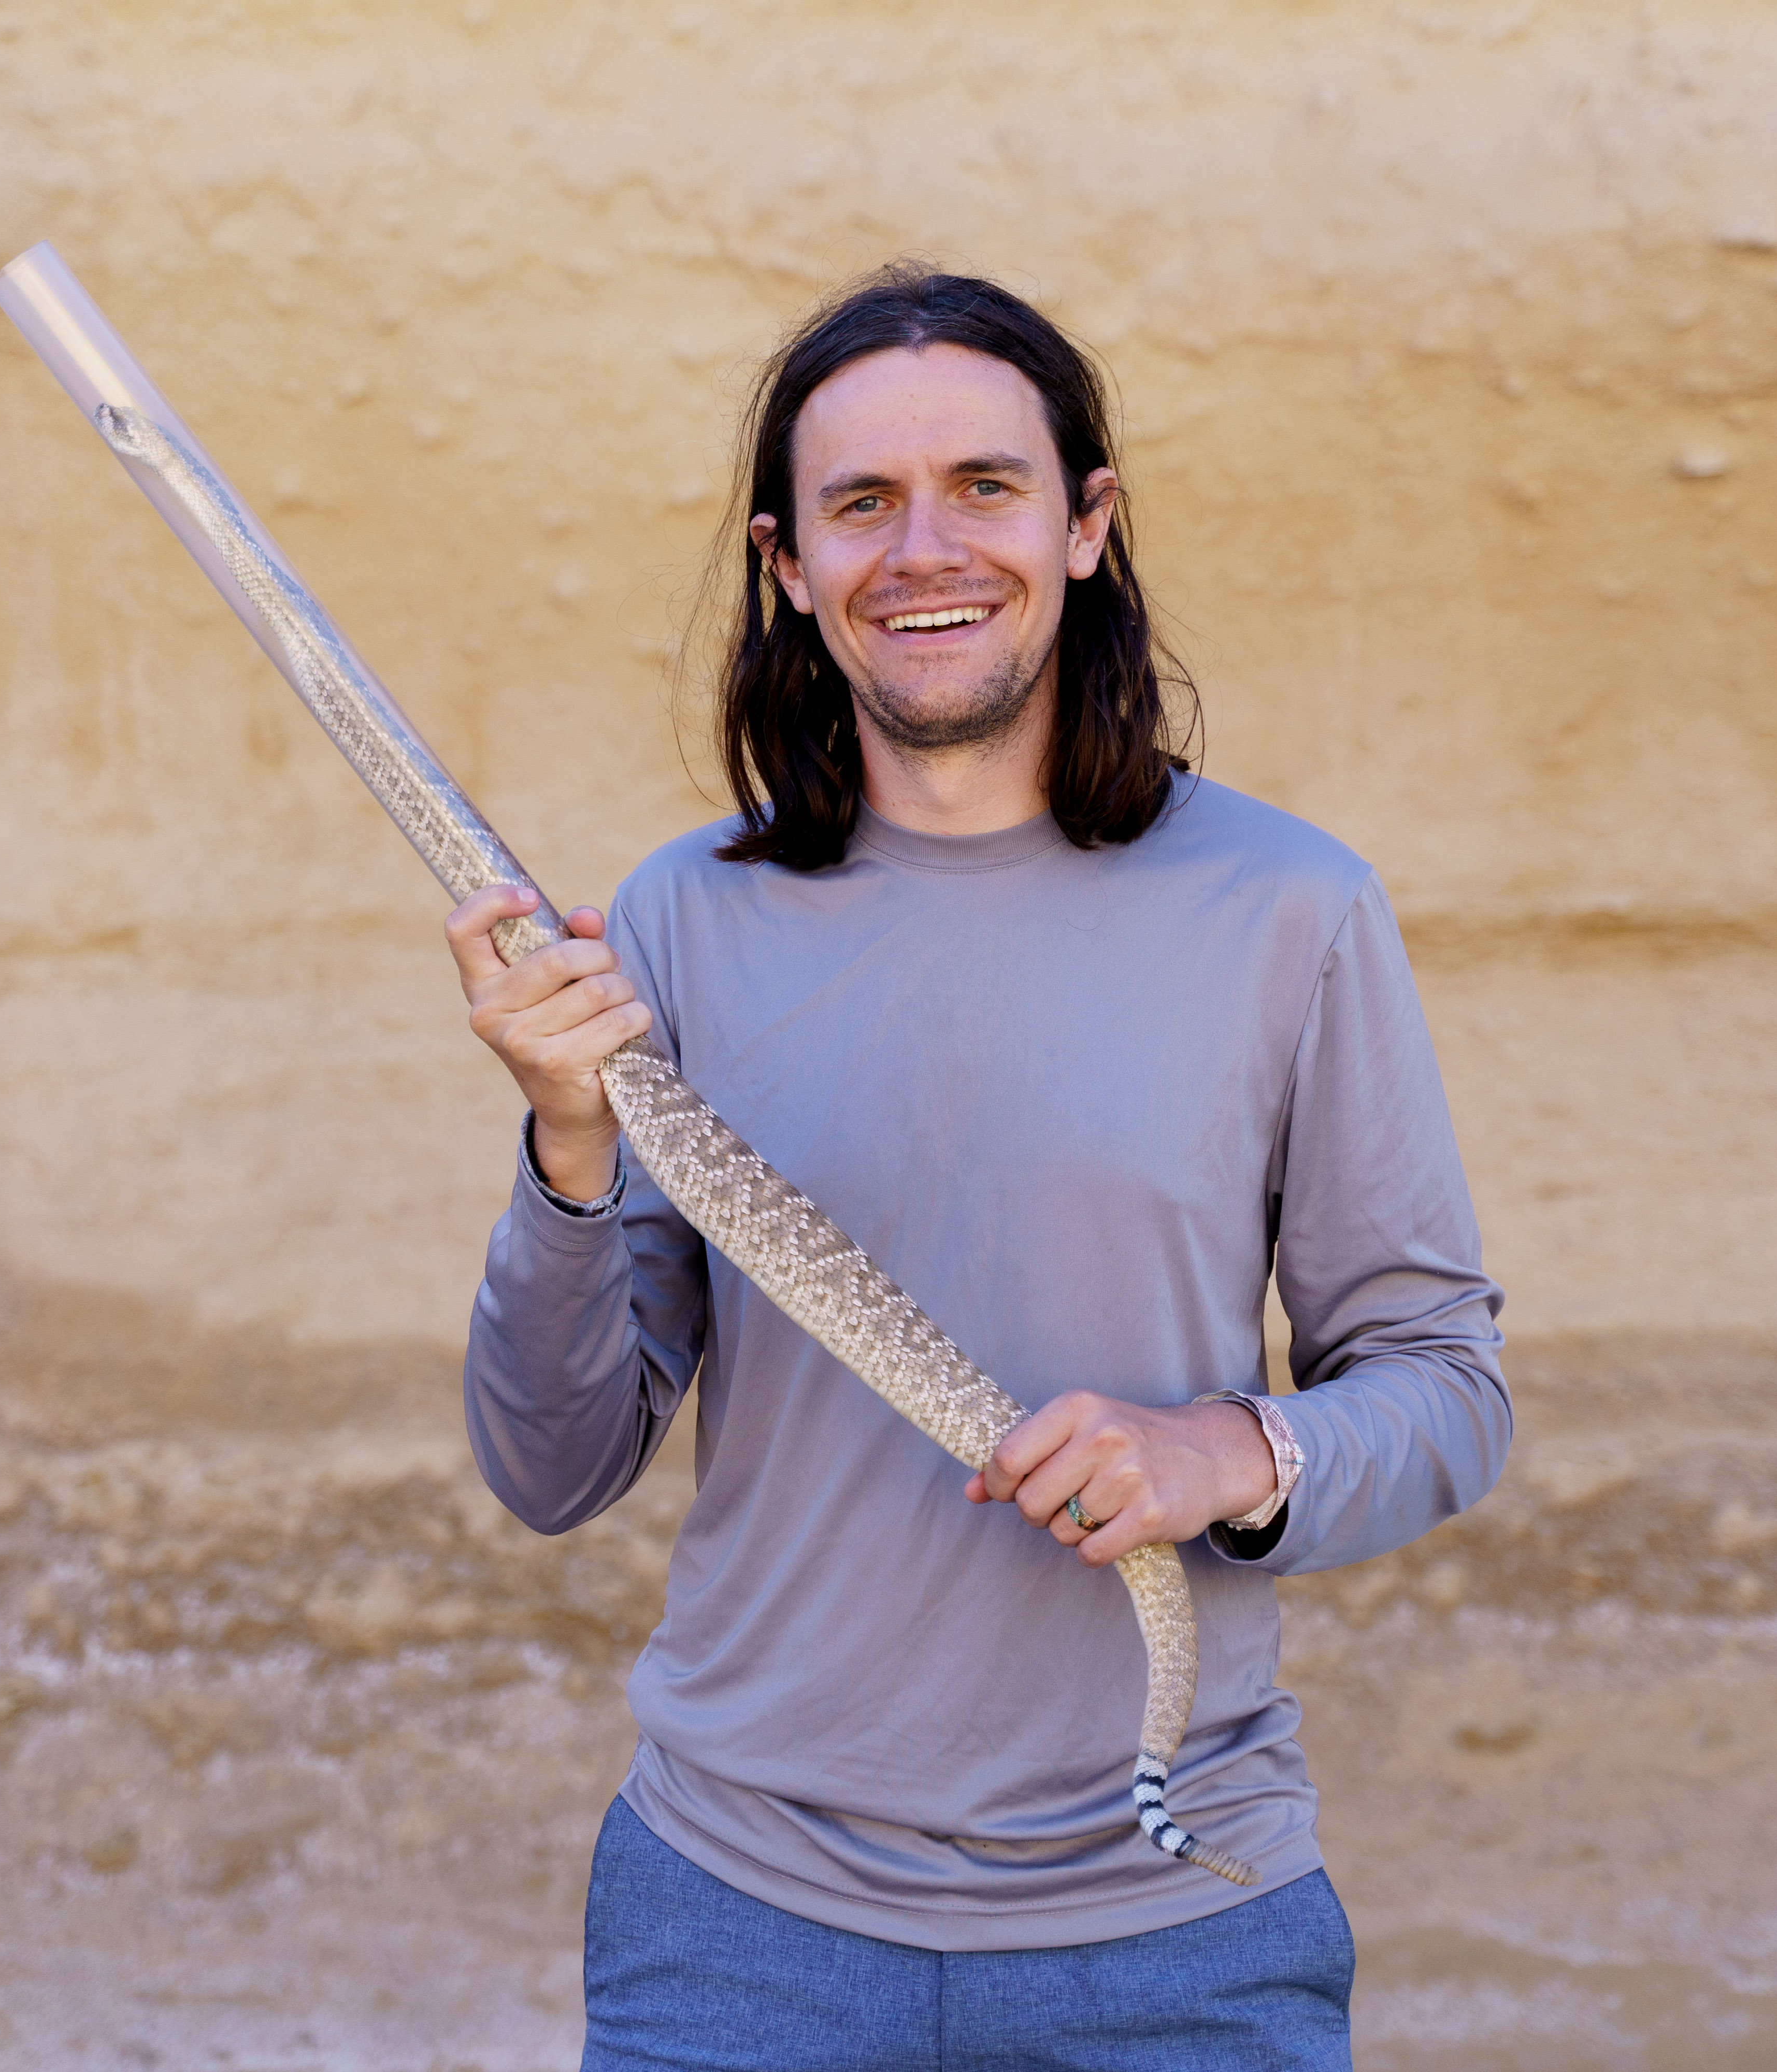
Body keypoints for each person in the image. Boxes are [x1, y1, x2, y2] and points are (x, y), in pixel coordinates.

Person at [445, 265, 1510, 2071]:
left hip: (1176, 1938)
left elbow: (1447, 1393)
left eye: (985, 489)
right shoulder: (677, 928)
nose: (923, 550)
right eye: (862, 504)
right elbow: (553, 1467)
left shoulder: (1292, 912)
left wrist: (1228, 1453)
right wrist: (564, 1146)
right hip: (738, 1933)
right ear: (790, 564)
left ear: (1086, 526)